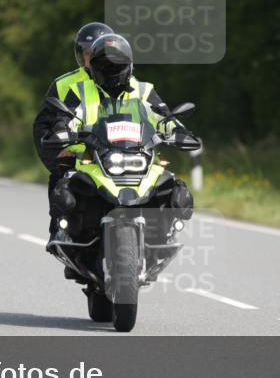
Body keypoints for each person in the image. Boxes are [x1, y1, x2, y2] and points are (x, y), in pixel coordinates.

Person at [32, 32, 195, 274]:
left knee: (172, 185)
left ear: (129, 65)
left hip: (139, 155)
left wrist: (179, 132)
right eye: (104, 63)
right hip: (94, 157)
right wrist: (62, 134)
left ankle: (164, 232)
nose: (111, 68)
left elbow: (163, 115)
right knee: (65, 189)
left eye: (117, 64)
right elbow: (64, 119)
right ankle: (66, 231)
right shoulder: (79, 90)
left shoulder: (143, 90)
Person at [32, 22, 114, 235]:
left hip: (118, 153)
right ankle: (60, 229)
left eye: (96, 53)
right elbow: (43, 125)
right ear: (80, 55)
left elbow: (147, 112)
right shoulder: (64, 84)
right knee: (61, 179)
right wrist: (57, 157)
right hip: (80, 156)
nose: (90, 59)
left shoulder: (125, 80)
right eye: (86, 53)